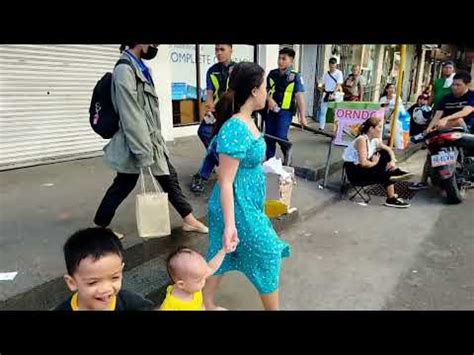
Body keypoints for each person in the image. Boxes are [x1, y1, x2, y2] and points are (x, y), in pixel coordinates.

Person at [93, 44, 208, 238]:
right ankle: (100, 226)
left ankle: (188, 219)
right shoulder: (124, 69)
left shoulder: (140, 67)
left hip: (149, 138)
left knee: (164, 177)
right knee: (127, 183)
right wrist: (143, 151)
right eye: (153, 43)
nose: (155, 47)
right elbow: (131, 114)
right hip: (138, 140)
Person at [203, 62, 290, 311]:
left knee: (223, 252)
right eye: (264, 87)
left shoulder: (248, 121)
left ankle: (206, 303)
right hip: (236, 206)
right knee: (268, 253)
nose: (267, 93)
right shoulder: (236, 127)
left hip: (246, 203)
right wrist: (231, 224)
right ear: (254, 90)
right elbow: (226, 179)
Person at [55, 228, 153, 311]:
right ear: (72, 283)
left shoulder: (132, 303)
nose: (106, 289)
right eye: (93, 282)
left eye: (114, 277)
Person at [410, 71, 474, 191]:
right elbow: (437, 116)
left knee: (459, 119)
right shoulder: (446, 98)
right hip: (446, 130)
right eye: (453, 84)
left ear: (467, 85)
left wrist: (446, 118)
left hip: (466, 129)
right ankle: (423, 181)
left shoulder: (472, 96)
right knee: (432, 150)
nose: (454, 87)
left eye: (458, 85)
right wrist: (428, 130)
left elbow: (466, 112)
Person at [191, 44, 236, 193]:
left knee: (217, 143)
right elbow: (209, 92)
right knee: (203, 132)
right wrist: (209, 103)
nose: (218, 53)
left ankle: (203, 175)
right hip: (216, 111)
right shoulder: (212, 70)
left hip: (231, 113)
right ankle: (221, 163)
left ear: (231, 50)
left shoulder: (238, 69)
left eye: (222, 49)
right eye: (216, 50)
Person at [342, 117, 414, 208]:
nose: (381, 130)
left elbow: (389, 149)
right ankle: (391, 196)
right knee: (386, 173)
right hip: (355, 172)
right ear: (371, 129)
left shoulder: (374, 140)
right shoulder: (362, 140)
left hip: (366, 167)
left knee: (385, 153)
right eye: (379, 127)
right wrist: (375, 163)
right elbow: (363, 163)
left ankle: (395, 172)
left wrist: (392, 161)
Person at [160, 245, 235, 310]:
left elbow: (211, 267)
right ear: (181, 284)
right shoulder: (171, 306)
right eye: (199, 280)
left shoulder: (192, 283)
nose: (204, 280)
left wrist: (222, 252)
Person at [265, 47, 307, 160]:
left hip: (285, 111)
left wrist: (302, 116)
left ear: (291, 61)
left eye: (284, 59)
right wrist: (269, 100)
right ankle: (270, 160)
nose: (280, 61)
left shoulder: (295, 76)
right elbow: (265, 90)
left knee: (280, 136)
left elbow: (299, 96)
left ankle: (287, 149)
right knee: (269, 137)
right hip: (271, 110)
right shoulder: (272, 73)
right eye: (279, 58)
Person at [318, 57, 344, 131]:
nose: (332, 67)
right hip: (326, 93)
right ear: (329, 65)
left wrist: (333, 93)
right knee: (323, 111)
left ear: (336, 65)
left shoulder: (339, 73)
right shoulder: (326, 74)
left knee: (336, 112)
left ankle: (337, 128)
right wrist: (320, 87)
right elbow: (322, 83)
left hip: (335, 94)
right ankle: (321, 127)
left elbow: (338, 84)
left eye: (334, 66)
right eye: (331, 66)